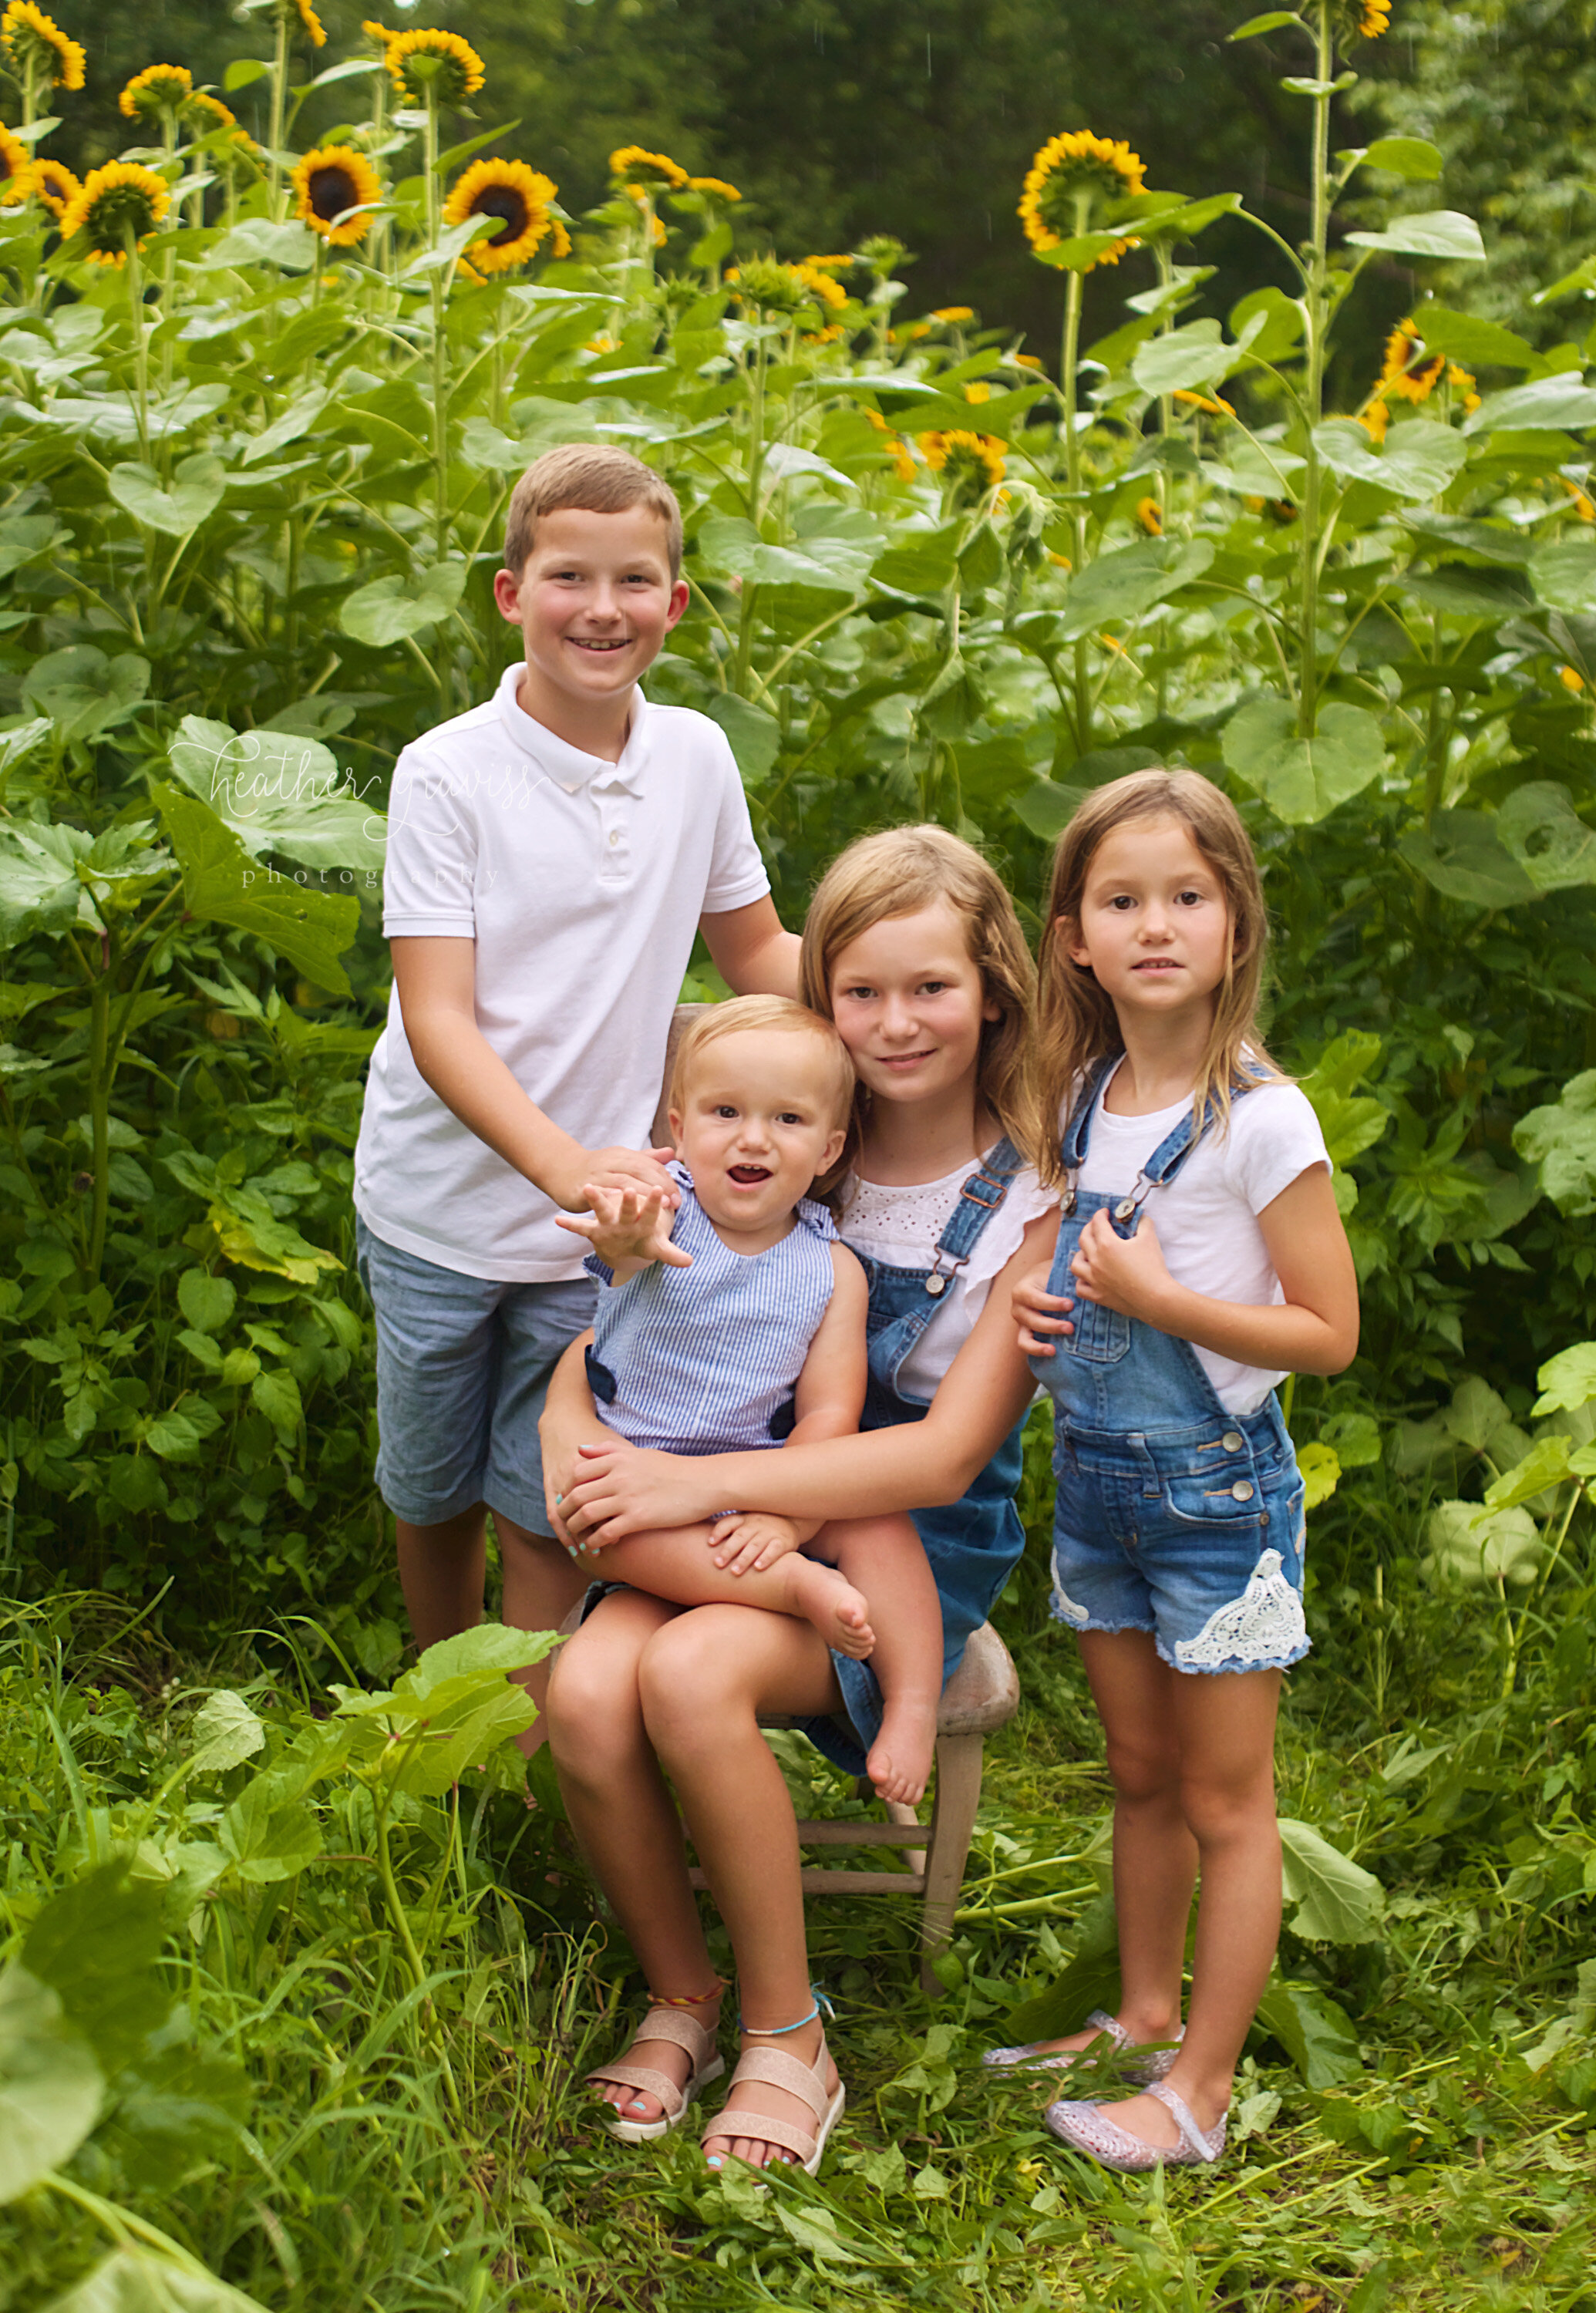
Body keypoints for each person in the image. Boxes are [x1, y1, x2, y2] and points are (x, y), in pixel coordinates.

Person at [541, 827, 1059, 2168]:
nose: (895, 1024)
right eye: (861, 992)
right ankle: (684, 1996)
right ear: (820, 995)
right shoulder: (762, 1143)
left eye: (930, 989)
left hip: (902, 1528)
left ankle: (789, 2033)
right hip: (708, 1500)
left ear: (990, 988)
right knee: (586, 1693)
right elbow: (625, 1325)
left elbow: (938, 1458)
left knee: (691, 1675)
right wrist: (568, 1429)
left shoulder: (1029, 1196)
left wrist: (689, 1482)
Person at [352, 443, 798, 1742]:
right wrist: (563, 1165)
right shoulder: (449, 772)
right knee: (431, 1488)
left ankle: (541, 1746)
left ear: (676, 603)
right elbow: (438, 1018)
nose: (600, 608)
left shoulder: (699, 757)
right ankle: (439, 1719)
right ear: (509, 594)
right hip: (445, 1206)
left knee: (547, 1494)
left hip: (604, 1229)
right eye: (568, 577)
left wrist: (918, 981)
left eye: (634, 580)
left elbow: (757, 956)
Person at [988, 767, 1359, 2172]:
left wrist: (1160, 1304)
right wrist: (1039, 1308)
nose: (1155, 925)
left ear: (1234, 924)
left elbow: (1325, 1333)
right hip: (1095, 1483)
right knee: (1137, 1776)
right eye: (1121, 900)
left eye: (1186, 897)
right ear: (1072, 934)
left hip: (1212, 1494)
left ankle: (1198, 2090)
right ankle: (1141, 2012)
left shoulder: (1261, 1118)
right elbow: (1062, 1266)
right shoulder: (1082, 1096)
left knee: (1223, 1798)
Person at [555, 994, 951, 1800]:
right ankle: (791, 1590)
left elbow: (830, 1417)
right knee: (600, 1525)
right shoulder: (664, 1212)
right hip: (638, 1482)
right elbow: (621, 1248)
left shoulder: (830, 1269)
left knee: (877, 1524)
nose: (751, 1138)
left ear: (830, 1147)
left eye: (787, 1120)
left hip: (760, 1485)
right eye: (725, 1111)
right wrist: (622, 1237)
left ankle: (909, 1703)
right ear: (678, 1123)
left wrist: (791, 1518)